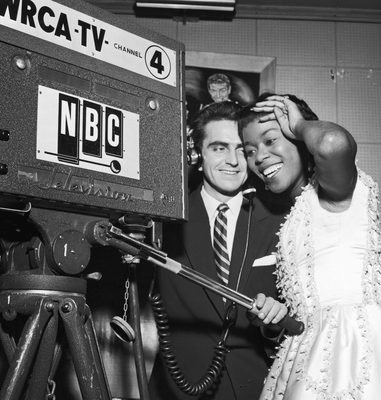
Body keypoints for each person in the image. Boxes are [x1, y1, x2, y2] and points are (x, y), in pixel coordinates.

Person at [239, 92, 381, 399]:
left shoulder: (338, 193)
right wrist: (273, 324)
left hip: (354, 353)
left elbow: (332, 143)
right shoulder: (295, 216)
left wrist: (301, 124)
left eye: (271, 140)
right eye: (249, 150)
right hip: (303, 360)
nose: (259, 157)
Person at [148, 101, 289, 400]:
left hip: (257, 386)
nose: (234, 161)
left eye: (242, 150)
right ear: (197, 154)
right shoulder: (163, 220)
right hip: (181, 385)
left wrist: (273, 326)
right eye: (219, 148)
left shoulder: (281, 221)